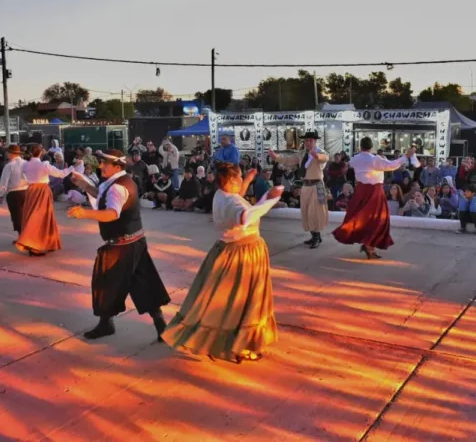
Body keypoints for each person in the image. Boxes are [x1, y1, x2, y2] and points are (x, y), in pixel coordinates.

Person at [162, 163, 282, 362]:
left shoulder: (221, 195)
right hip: (243, 253)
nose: (241, 181)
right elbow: (246, 215)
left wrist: (249, 180)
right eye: (240, 178)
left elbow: (236, 197)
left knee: (223, 300)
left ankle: (218, 340)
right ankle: (242, 345)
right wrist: (270, 199)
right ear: (232, 180)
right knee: (244, 300)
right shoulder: (231, 203)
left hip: (226, 250)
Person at [68, 150, 170, 340]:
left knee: (106, 283)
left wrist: (84, 213)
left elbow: (112, 213)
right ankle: (161, 327)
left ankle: (106, 325)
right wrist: (84, 184)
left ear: (117, 166)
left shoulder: (117, 187)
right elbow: (103, 196)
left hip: (121, 247)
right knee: (144, 283)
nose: (100, 166)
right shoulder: (121, 181)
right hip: (135, 242)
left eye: (104, 163)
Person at [333, 138, 416, 259]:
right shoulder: (375, 159)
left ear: (360, 147)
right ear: (372, 147)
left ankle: (368, 244)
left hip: (360, 191)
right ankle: (369, 245)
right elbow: (392, 166)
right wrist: (406, 156)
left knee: (361, 217)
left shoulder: (355, 159)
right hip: (375, 191)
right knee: (377, 220)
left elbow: (350, 164)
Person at [269, 131, 329, 249]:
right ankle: (315, 235)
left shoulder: (320, 152)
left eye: (310, 140)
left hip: (316, 185)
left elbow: (325, 158)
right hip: (306, 186)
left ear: (315, 141)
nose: (308, 142)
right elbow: (288, 159)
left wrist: (316, 156)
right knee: (306, 212)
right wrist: (276, 157)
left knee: (314, 212)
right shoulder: (301, 154)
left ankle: (316, 236)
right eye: (306, 140)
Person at [15, 144, 77, 256]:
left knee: (32, 216)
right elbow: (60, 174)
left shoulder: (25, 165)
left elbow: (22, 179)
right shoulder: (44, 165)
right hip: (42, 191)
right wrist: (73, 167)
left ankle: (44, 243)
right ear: (41, 152)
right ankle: (35, 245)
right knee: (41, 218)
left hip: (31, 190)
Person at [0, 144, 28, 237]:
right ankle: (27, 236)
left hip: (14, 193)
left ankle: (22, 237)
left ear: (11, 153)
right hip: (26, 191)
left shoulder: (9, 166)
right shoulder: (26, 163)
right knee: (26, 215)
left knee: (16, 216)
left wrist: (0, 194)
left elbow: (4, 182)